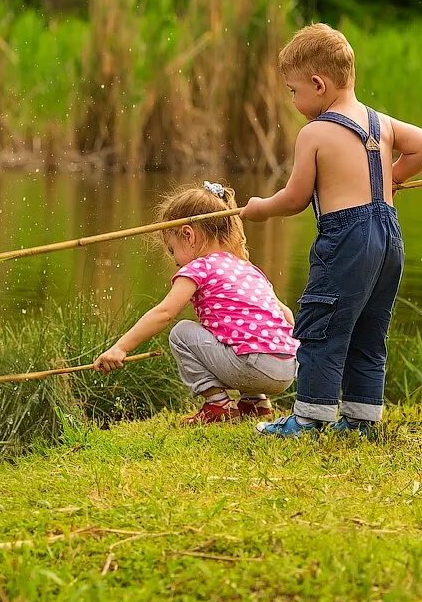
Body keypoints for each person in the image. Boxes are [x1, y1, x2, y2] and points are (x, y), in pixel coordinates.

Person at [243, 23, 422, 437]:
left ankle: (311, 417)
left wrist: (261, 209)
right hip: (388, 237)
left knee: (323, 326)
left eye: (294, 91)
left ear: (318, 84)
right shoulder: (379, 122)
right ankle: (362, 419)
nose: (294, 99)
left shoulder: (315, 132)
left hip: (346, 238)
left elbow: (295, 199)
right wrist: (391, 180)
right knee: (370, 329)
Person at [96, 182, 298, 424]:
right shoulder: (247, 268)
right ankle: (255, 403)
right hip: (286, 370)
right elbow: (286, 315)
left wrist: (121, 347)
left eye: (172, 251)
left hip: (254, 368)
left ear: (188, 234)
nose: (175, 261)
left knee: (181, 333)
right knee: (237, 332)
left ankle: (218, 406)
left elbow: (164, 313)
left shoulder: (199, 268)